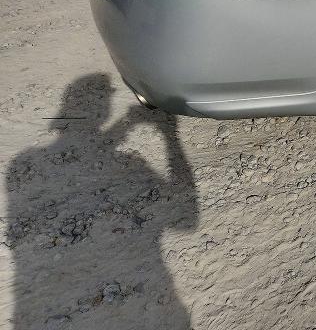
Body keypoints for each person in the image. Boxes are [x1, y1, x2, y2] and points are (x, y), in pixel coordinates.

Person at [6, 74, 197, 329]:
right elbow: (188, 220)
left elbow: (100, 145)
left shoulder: (22, 161)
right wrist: (169, 135)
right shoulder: (135, 164)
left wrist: (125, 126)